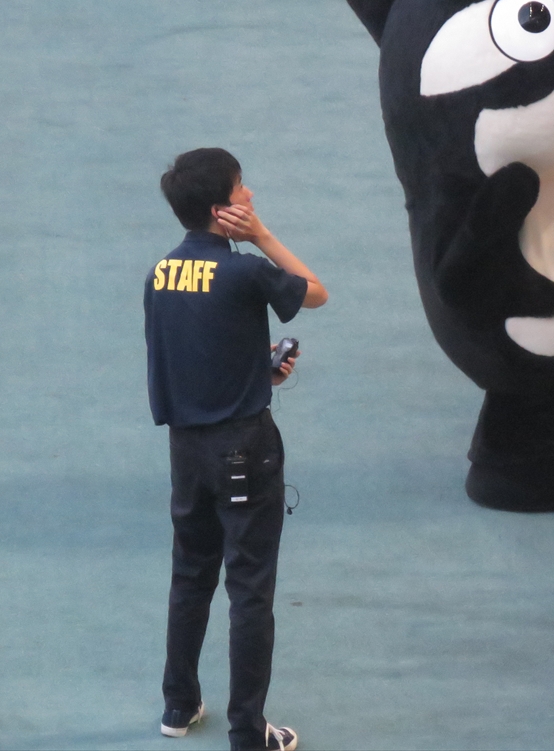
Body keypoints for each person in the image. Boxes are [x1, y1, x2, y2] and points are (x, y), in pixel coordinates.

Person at [145, 148, 328, 751]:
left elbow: (187, 357)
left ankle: (178, 704)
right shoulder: (245, 271)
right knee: (249, 589)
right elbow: (316, 293)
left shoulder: (159, 274)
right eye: (242, 188)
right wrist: (263, 236)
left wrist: (259, 373)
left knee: (190, 574)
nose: (250, 196)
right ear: (223, 209)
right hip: (244, 449)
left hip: (186, 450)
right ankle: (249, 731)